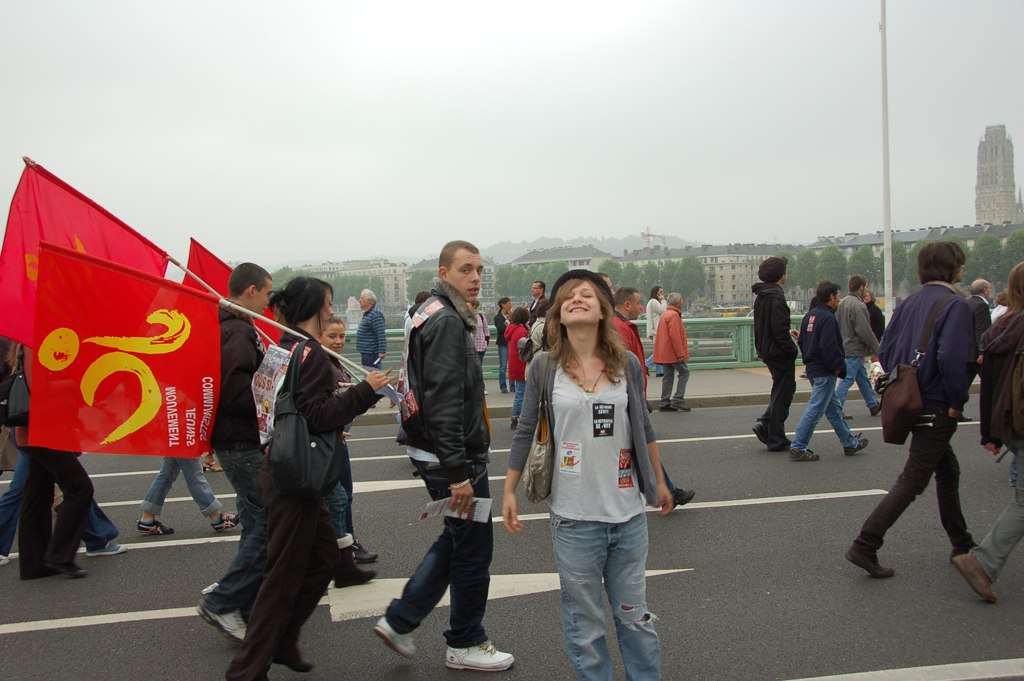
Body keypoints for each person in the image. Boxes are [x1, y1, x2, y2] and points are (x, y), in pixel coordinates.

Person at [503, 270, 673, 681]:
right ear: (559, 313)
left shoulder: (628, 364)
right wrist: (508, 489)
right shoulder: (544, 368)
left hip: (628, 516)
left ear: (602, 312)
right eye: (569, 297)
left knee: (635, 618)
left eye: (587, 295)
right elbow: (527, 429)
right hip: (574, 519)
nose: (577, 299)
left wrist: (660, 481)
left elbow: (643, 426)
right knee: (586, 625)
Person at [226, 277, 388, 680]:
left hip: (286, 467)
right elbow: (317, 416)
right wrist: (363, 393)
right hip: (296, 476)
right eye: (328, 305)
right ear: (313, 308)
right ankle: (248, 668)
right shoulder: (310, 354)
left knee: (324, 559)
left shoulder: (284, 346)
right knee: (281, 577)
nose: (333, 312)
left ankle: (284, 639)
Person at [374, 240, 514, 673]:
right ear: (444, 272)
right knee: (473, 551)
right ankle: (466, 640)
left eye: (478, 270)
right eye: (465, 270)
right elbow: (446, 400)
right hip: (453, 457)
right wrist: (458, 473)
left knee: (456, 538)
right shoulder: (451, 322)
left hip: (429, 448)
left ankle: (401, 620)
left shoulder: (427, 312)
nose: (474, 278)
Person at [846, 242, 975, 578]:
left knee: (947, 471)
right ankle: (866, 542)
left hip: (910, 396)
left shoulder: (908, 303)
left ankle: (961, 542)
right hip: (936, 401)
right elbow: (951, 359)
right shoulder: (956, 305)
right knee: (914, 479)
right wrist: (956, 403)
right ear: (954, 267)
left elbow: (886, 351)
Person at [198, 263, 274, 642]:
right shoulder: (238, 332)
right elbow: (235, 392)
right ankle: (225, 600)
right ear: (249, 292)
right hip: (241, 441)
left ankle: (243, 603)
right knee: (269, 522)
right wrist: (272, 397)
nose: (268, 303)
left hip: (235, 441)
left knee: (254, 519)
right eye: (266, 294)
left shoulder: (231, 328)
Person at [951, 262, 1024, 603]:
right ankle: (983, 561)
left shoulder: (1000, 327)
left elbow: (989, 385)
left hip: (1009, 421)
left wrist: (991, 433)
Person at [11, 344, 95, 579]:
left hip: (34, 430)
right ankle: (60, 556)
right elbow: (42, 389)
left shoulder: (25, 345)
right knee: (80, 487)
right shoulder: (37, 346)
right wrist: (77, 383)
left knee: (37, 494)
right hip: (44, 430)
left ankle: (33, 563)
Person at [613, 285, 696, 507]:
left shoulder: (621, 325)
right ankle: (664, 490)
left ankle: (664, 489)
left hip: (633, 394)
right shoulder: (621, 328)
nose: (641, 307)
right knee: (641, 447)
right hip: (631, 397)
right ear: (627, 304)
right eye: (638, 303)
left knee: (638, 448)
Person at [318, 316, 378, 565]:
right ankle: (341, 548)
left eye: (342, 336)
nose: (338, 341)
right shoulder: (320, 363)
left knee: (345, 495)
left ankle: (347, 543)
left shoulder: (335, 362)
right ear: (318, 335)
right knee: (338, 498)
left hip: (336, 437)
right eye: (332, 336)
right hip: (328, 439)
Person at [788, 281, 869, 462]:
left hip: (813, 368)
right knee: (815, 409)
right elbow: (830, 347)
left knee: (833, 409)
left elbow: (804, 342)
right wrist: (839, 367)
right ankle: (798, 445)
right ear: (831, 297)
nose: (839, 300)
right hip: (825, 370)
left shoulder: (810, 316)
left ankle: (849, 442)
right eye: (838, 296)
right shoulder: (829, 318)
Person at [751, 256, 799, 452]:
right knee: (784, 393)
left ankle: (767, 425)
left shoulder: (763, 295)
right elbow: (779, 328)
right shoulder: (776, 297)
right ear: (780, 275)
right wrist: (792, 349)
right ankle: (775, 436)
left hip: (766, 349)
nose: (787, 274)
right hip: (778, 352)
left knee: (780, 390)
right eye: (785, 271)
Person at [137, 457, 238, 536]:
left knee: (168, 473)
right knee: (194, 474)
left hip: (174, 433)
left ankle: (147, 518)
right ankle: (216, 517)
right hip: (182, 434)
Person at [835, 275, 881, 417]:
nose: (866, 290)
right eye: (866, 287)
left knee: (862, 378)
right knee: (847, 379)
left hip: (845, 346)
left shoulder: (843, 303)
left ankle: (873, 404)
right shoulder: (859, 306)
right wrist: (876, 348)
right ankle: (836, 408)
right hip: (854, 348)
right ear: (861, 287)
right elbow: (864, 330)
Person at [652, 292, 691, 412]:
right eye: (682, 301)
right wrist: (680, 353)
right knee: (685, 372)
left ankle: (664, 402)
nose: (682, 302)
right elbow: (675, 337)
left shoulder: (665, 314)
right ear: (678, 302)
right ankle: (678, 400)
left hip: (665, 351)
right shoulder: (674, 315)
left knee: (668, 377)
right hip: (673, 352)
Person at [963, 279, 993, 422]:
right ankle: (994, 413)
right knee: (991, 382)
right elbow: (982, 330)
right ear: (984, 290)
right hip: (977, 352)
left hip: (967, 351)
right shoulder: (981, 305)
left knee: (965, 382)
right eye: (989, 288)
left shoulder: (968, 303)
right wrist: (983, 351)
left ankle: (956, 410)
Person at [505, 306, 531, 429]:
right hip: (521, 364)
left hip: (514, 363)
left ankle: (514, 419)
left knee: (520, 394)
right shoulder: (521, 330)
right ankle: (515, 419)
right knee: (521, 394)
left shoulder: (511, 328)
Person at [356, 288, 387, 371]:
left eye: (362, 299)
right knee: (368, 374)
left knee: (372, 375)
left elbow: (380, 333)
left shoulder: (375, 314)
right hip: (367, 351)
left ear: (368, 301)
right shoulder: (369, 313)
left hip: (372, 352)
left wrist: (382, 351)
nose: (359, 300)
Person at [469, 300, 490, 390]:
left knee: (479, 368)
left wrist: (485, 343)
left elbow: (486, 331)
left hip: (480, 346)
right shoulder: (464, 317)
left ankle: (481, 388)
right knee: (470, 368)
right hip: (470, 346)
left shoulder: (481, 317)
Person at [645, 286, 666, 377]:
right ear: (656, 293)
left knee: (659, 350)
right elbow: (663, 310)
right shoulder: (654, 301)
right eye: (660, 292)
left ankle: (660, 371)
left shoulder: (652, 302)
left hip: (656, 329)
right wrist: (664, 301)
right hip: (657, 329)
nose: (662, 294)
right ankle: (646, 364)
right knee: (660, 351)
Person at [494, 298, 512, 393]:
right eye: (508, 303)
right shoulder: (498, 318)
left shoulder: (512, 315)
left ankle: (513, 386)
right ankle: (503, 386)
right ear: (503, 305)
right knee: (503, 365)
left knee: (512, 364)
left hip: (512, 343)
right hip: (503, 343)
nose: (510, 305)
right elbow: (501, 329)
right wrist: (508, 321)